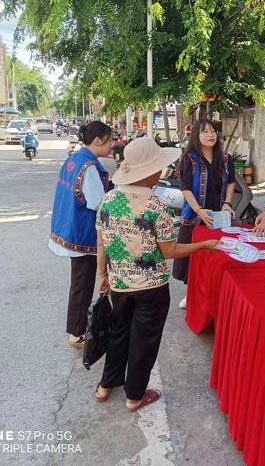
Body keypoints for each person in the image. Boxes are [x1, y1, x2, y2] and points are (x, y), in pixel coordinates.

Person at [94, 137, 219, 410]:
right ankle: (135, 395)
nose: (162, 172)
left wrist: (102, 276)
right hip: (151, 290)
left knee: (119, 333)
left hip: (119, 284)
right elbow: (170, 251)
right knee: (143, 342)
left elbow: (101, 243)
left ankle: (105, 385)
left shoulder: (108, 199)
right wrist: (204, 245)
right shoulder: (156, 207)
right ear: (149, 172)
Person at [49, 121, 112, 348]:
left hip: (68, 227)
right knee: (82, 284)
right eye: (110, 140)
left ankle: (79, 324)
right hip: (82, 233)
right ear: (98, 141)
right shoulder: (89, 167)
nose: (112, 145)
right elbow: (97, 202)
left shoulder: (75, 158)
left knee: (79, 282)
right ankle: (76, 334)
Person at [172, 119, 236, 309]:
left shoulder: (225, 159)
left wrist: (227, 203)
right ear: (196, 136)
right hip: (194, 216)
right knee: (192, 256)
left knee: (215, 255)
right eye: (205, 132)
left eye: (213, 131)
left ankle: (211, 295)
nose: (210, 135)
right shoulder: (189, 159)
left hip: (218, 216)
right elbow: (185, 189)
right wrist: (199, 210)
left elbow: (231, 182)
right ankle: (190, 293)